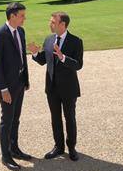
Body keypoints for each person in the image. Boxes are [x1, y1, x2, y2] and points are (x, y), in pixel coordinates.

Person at [28, 11, 83, 161]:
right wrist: (34, 54)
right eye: (50, 21)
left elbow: (78, 65)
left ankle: (71, 147)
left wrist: (62, 57)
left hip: (69, 88)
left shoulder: (76, 41)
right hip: (52, 87)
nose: (50, 24)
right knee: (55, 118)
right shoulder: (48, 40)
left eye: (53, 22)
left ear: (62, 24)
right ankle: (58, 147)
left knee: (69, 118)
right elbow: (43, 60)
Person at [0, 2, 32, 171]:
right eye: (22, 15)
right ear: (12, 16)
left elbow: (22, 56)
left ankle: (14, 149)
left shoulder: (21, 31)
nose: (24, 18)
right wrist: (3, 89)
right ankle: (5, 156)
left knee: (16, 118)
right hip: (7, 86)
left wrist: (26, 80)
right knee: (6, 120)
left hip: (20, 82)